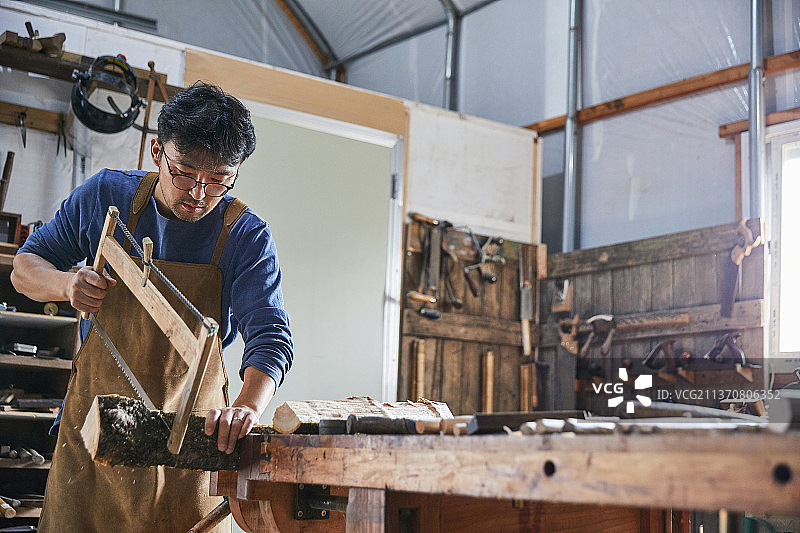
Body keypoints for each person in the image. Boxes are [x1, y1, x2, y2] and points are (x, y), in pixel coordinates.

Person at [11, 81, 293, 532]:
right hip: (92, 442)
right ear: (157, 152)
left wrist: (246, 408)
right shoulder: (107, 195)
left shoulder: (246, 236)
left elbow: (271, 337)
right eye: (185, 172)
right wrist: (66, 284)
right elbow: (24, 268)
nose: (199, 194)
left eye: (219, 179)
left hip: (188, 451)